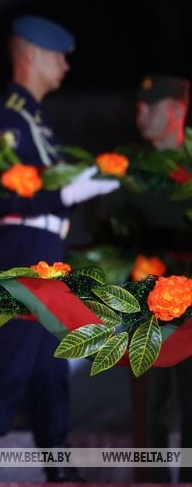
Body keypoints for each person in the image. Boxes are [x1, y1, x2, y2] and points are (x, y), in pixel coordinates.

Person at [0, 15, 119, 482]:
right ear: (30, 56)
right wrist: (71, 190)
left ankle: (55, 456)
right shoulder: (11, 119)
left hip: (46, 240)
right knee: (20, 350)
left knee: (51, 353)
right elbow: (15, 189)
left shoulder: (34, 119)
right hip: (26, 239)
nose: (65, 67)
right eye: (58, 56)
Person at [133, 74, 190, 483]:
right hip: (146, 303)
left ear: (174, 110)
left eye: (149, 106)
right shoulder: (131, 168)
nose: (140, 114)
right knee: (149, 404)